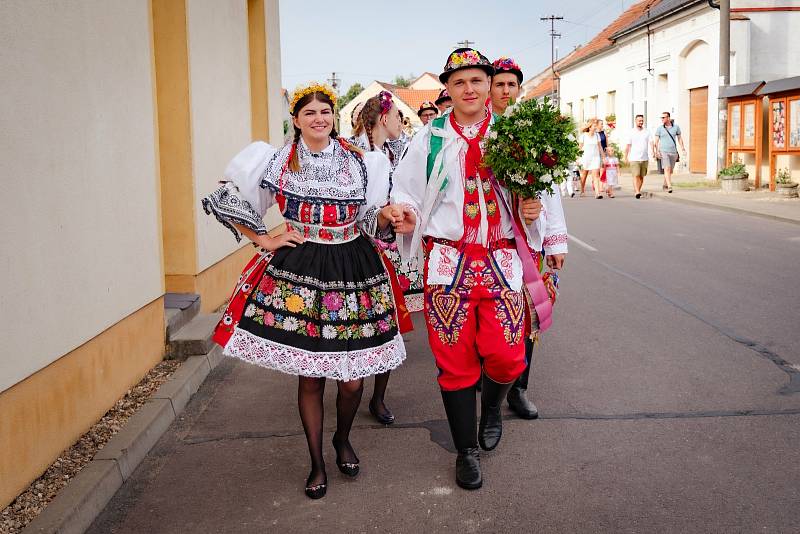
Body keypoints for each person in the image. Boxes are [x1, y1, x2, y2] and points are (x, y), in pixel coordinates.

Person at [201, 82, 408, 500]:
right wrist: (265, 238)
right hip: (301, 270)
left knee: (351, 381)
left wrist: (385, 217)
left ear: (334, 118)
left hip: (353, 267)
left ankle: (342, 438)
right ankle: (316, 461)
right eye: (310, 113)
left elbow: (368, 217)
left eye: (325, 112)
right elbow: (228, 196)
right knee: (312, 375)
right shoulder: (276, 160)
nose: (319, 119)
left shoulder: (361, 161)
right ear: (295, 120)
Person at [391, 48, 566, 490]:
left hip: (501, 258)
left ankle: (492, 406)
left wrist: (535, 212)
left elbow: (542, 191)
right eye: (459, 82)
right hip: (447, 261)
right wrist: (405, 214)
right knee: (454, 362)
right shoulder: (429, 138)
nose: (469, 89)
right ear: (447, 90)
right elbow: (407, 190)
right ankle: (466, 451)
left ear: (490, 85)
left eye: (477, 80)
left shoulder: (514, 133)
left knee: (507, 357)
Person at [491, 55, 568, 419]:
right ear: (489, 89)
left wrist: (555, 240)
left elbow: (549, 189)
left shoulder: (533, 129)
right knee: (491, 317)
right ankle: (490, 379)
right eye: (500, 84)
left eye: (512, 85)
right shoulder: (484, 132)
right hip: (492, 246)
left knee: (529, 316)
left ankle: (518, 388)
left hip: (529, 244)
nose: (506, 91)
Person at [350, 91, 423, 424]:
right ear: (382, 119)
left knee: (387, 326)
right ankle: (355, 392)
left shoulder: (387, 151)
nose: (400, 123)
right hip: (357, 252)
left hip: (383, 250)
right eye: (396, 117)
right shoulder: (359, 155)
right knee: (356, 329)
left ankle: (376, 398)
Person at [654, 112, 686, 193]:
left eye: (664, 117)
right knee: (667, 168)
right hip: (663, 151)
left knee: (670, 170)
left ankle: (665, 184)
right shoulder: (660, 128)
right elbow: (656, 141)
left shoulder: (676, 127)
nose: (662, 119)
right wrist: (657, 151)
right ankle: (669, 186)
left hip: (673, 152)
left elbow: (679, 138)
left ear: (668, 118)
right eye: (661, 118)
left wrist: (683, 149)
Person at [624, 114, 651, 199]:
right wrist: (626, 157)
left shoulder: (647, 131)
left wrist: (654, 151)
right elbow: (628, 145)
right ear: (635, 121)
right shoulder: (631, 132)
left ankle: (637, 191)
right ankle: (637, 192)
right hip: (634, 158)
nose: (641, 122)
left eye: (642, 120)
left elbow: (651, 142)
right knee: (636, 175)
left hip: (644, 157)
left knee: (641, 176)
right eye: (639, 120)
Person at [579, 119, 605, 198]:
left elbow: (600, 146)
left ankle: (597, 193)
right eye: (594, 126)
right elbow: (579, 148)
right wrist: (577, 158)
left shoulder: (597, 135)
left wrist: (603, 156)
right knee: (584, 175)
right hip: (585, 157)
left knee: (596, 175)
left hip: (595, 157)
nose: (596, 127)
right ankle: (582, 190)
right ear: (590, 127)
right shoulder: (583, 136)